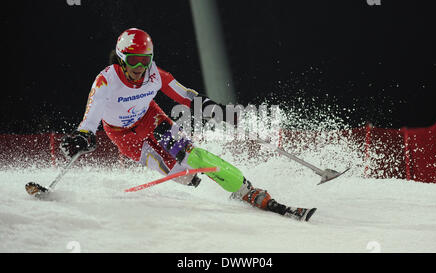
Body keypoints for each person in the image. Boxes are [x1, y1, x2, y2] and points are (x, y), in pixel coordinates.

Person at [60, 28, 314, 221]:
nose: (140, 68)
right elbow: (91, 116)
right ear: (121, 58)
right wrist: (83, 135)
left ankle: (247, 190)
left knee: (194, 157)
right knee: (185, 177)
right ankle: (187, 177)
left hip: (153, 119)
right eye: (134, 61)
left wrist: (217, 110)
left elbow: (186, 96)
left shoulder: (155, 75)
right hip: (123, 137)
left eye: (145, 60)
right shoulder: (105, 81)